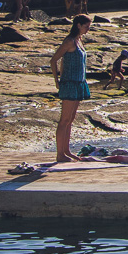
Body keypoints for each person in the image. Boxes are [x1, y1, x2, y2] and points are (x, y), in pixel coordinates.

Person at [50, 15, 92, 166]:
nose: (88, 29)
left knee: (70, 120)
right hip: (69, 84)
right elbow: (54, 59)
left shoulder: (79, 40)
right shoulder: (69, 41)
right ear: (78, 25)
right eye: (86, 26)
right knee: (64, 120)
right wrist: (57, 80)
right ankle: (59, 154)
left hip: (79, 83)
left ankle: (66, 151)